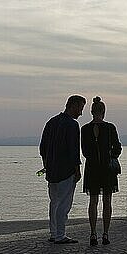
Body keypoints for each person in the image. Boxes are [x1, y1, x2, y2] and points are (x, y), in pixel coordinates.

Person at [39, 95, 86, 244]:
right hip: (65, 171)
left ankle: (54, 233)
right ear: (72, 106)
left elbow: (42, 148)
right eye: (80, 108)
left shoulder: (51, 122)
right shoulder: (72, 125)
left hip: (52, 171)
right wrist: (77, 169)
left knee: (54, 202)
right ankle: (60, 234)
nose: (81, 113)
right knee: (64, 203)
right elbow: (73, 150)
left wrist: (46, 165)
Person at [81, 96, 122, 246]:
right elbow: (118, 148)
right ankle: (105, 234)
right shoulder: (110, 128)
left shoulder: (84, 129)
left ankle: (93, 233)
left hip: (92, 168)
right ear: (103, 111)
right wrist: (111, 156)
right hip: (107, 169)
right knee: (107, 201)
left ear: (91, 112)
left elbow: (85, 151)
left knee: (93, 201)